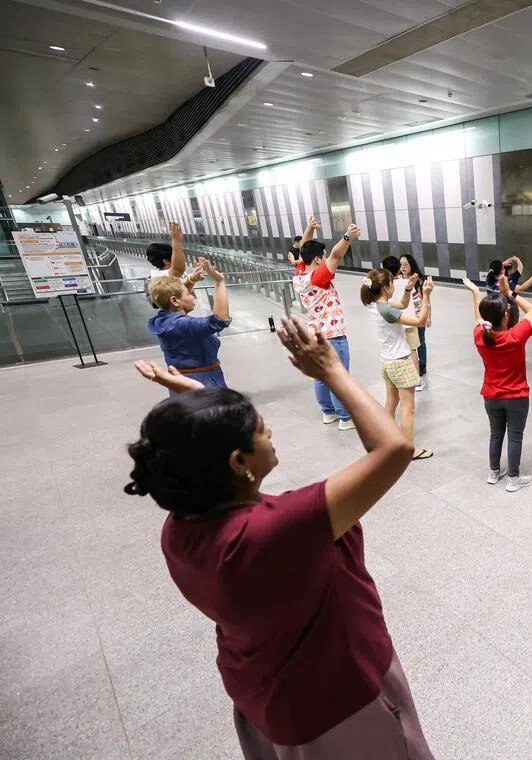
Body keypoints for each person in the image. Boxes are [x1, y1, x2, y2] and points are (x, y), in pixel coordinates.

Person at [124, 316, 433, 760]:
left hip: (266, 693)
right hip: (341, 700)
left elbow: (216, 469)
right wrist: (331, 369)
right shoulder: (279, 532)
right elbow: (393, 449)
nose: (270, 433)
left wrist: (195, 401)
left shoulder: (184, 527)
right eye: (261, 430)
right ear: (236, 461)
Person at [462, 277, 532, 493]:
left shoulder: (480, 336)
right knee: (515, 435)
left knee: (496, 433)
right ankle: (513, 478)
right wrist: (510, 292)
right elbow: (531, 310)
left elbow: (478, 318)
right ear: (506, 316)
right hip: (517, 397)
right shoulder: (516, 335)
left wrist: (476, 293)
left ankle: (494, 472)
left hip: (491, 396)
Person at [360, 269, 435, 462]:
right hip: (400, 363)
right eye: (392, 283)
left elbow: (402, 304)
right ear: (385, 287)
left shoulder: (377, 305)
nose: (394, 285)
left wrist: (408, 289)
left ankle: (384, 440)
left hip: (387, 362)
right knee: (408, 409)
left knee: (391, 403)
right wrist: (426, 296)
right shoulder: (387, 310)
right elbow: (419, 321)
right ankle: (408, 450)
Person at [293, 224, 359, 430]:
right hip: (333, 335)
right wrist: (347, 237)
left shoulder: (299, 275)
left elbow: (304, 246)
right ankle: (345, 418)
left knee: (321, 376)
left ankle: (328, 413)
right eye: (322, 255)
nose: (326, 257)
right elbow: (337, 255)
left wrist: (309, 229)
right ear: (318, 260)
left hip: (314, 335)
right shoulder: (319, 277)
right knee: (338, 377)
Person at [146, 258, 230, 392]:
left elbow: (175, 294)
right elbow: (219, 319)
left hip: (182, 382)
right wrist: (219, 282)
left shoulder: (164, 320)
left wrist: (192, 279)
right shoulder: (182, 324)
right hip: (203, 383)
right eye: (189, 294)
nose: (193, 297)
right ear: (174, 301)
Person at [397, 254, 430, 385]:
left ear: (411, 264)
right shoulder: (398, 279)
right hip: (406, 316)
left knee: (421, 341)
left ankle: (422, 364)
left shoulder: (420, 280)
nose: (403, 267)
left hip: (419, 314)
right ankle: (412, 364)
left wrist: (428, 316)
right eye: (401, 264)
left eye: (405, 264)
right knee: (410, 343)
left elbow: (426, 298)